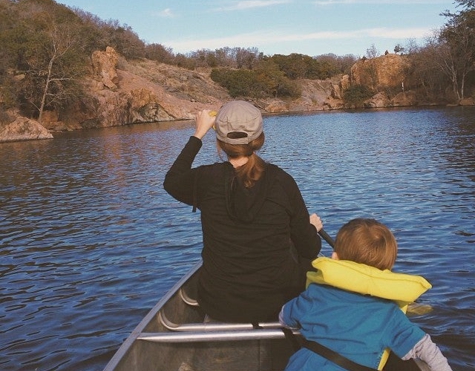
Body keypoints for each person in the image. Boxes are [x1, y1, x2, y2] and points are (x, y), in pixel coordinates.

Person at [163, 100, 323, 324]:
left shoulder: (205, 180)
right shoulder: (282, 181)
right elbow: (310, 247)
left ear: (220, 141)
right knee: (305, 254)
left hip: (220, 304)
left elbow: (172, 181)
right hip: (278, 301)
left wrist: (198, 134)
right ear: (259, 139)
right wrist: (310, 229)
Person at [279, 218, 453, 371]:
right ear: (387, 268)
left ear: (335, 257)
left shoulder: (316, 294)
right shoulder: (389, 315)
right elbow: (426, 348)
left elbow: (284, 318)